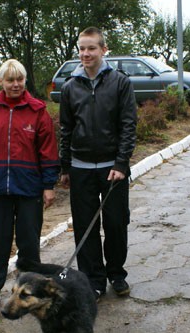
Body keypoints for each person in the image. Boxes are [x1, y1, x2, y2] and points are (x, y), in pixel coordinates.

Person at [0, 59, 60, 312]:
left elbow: (48, 151)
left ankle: (29, 291)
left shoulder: (37, 111)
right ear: (1, 82)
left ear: (25, 81)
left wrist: (48, 185)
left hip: (29, 188)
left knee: (29, 242)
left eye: (20, 79)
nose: (16, 84)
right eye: (10, 80)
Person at [59, 27, 137, 299]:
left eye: (91, 48)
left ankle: (116, 274)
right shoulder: (70, 87)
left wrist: (121, 163)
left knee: (116, 224)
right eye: (81, 48)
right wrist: (65, 167)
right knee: (86, 227)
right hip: (81, 169)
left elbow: (128, 126)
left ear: (104, 50)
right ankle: (93, 279)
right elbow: (66, 129)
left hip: (112, 169)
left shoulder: (120, 83)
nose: (85, 53)